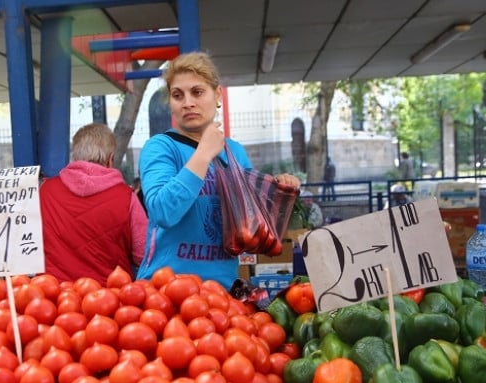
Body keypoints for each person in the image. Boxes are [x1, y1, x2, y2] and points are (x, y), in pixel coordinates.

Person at [136, 51, 301, 288]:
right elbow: (162, 211)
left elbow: (248, 225)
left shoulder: (234, 152)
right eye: (177, 95)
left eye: (197, 92)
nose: (188, 103)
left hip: (221, 292)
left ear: (217, 95)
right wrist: (203, 154)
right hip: (166, 292)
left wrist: (278, 192)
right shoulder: (161, 147)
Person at [40, 123, 148, 285]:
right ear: (111, 159)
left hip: (55, 298)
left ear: (75, 156)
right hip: (111, 299)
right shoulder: (126, 198)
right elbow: (143, 255)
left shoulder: (45, 192)